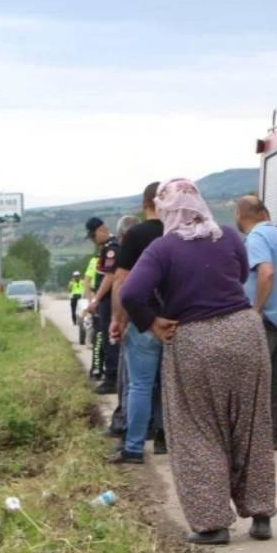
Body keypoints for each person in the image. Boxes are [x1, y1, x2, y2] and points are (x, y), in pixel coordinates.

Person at [120, 178, 277, 544]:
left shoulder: (163, 248)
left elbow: (131, 294)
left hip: (195, 339)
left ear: (166, 210)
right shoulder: (228, 235)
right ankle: (261, 515)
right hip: (244, 332)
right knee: (251, 425)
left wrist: (152, 322)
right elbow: (239, 274)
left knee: (197, 430)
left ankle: (213, 524)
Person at [107, 182, 167, 463]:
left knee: (140, 385)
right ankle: (165, 439)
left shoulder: (136, 235)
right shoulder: (178, 233)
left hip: (144, 319)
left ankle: (133, 448)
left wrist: (117, 319)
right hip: (177, 320)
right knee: (171, 387)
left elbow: (121, 280)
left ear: (145, 205)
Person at [236, 195, 277, 449]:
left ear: (240, 215)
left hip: (267, 317)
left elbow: (266, 272)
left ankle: (263, 436)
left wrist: (256, 309)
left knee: (256, 377)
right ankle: (276, 431)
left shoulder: (257, 237)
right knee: (273, 377)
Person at [105, 215, 140, 438]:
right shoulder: (158, 245)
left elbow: (120, 283)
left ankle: (126, 428)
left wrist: (117, 320)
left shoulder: (125, 252)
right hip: (162, 321)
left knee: (131, 382)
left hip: (134, 322)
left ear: (122, 236)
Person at [84, 217, 120, 394]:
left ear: (100, 231)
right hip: (107, 300)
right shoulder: (107, 247)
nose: (93, 241)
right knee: (105, 338)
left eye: (92, 236)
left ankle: (112, 377)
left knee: (109, 338)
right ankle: (111, 375)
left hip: (109, 300)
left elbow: (110, 276)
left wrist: (96, 299)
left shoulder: (111, 248)